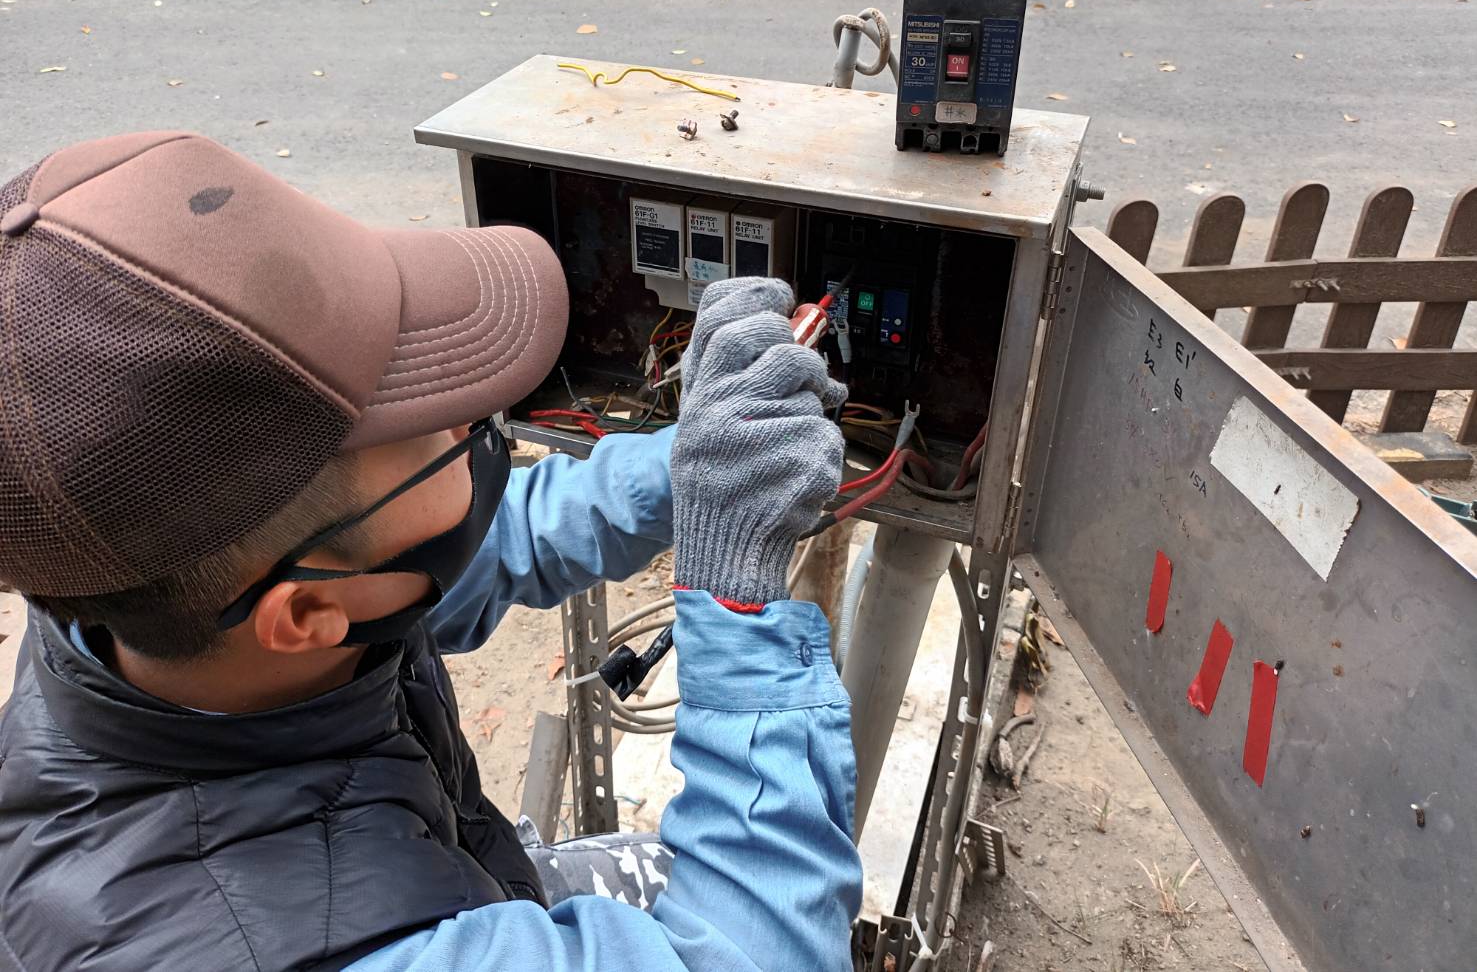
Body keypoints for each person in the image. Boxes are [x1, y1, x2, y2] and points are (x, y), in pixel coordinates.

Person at [0, 132, 863, 971]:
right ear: (304, 611)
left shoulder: (138, 590)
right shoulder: (328, 951)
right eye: (442, 429)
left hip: (440, 862)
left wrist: (694, 467)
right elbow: (762, 949)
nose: (472, 415)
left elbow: (490, 543)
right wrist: (736, 601)